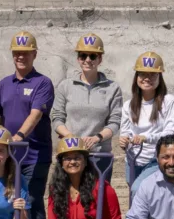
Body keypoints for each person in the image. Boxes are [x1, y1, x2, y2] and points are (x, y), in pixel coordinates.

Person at [0, 31, 55, 219]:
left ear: (35, 54)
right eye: (17, 53)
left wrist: (19, 136)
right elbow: (2, 118)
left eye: (26, 53)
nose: (21, 57)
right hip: (10, 154)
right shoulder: (4, 83)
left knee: (31, 198)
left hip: (34, 154)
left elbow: (36, 114)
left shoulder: (43, 83)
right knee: (13, 199)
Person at [51, 33, 122, 178]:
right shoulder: (65, 86)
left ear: (100, 58)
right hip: (70, 154)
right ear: (78, 59)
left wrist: (97, 137)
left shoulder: (113, 88)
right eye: (83, 56)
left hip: (99, 155)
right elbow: (57, 117)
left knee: (99, 199)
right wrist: (70, 137)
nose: (88, 60)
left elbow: (115, 122)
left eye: (93, 56)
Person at [118, 52, 174, 195]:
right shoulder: (129, 105)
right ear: (136, 77)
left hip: (156, 160)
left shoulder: (169, 101)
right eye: (142, 74)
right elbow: (126, 131)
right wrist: (124, 140)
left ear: (160, 77)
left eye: (153, 74)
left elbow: (171, 133)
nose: (147, 78)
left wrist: (146, 137)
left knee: (138, 190)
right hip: (133, 160)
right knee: (140, 199)